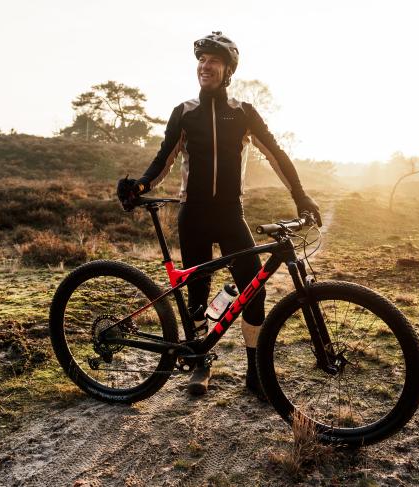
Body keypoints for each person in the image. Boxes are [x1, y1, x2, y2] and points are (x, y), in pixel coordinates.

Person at [117, 31, 320, 398]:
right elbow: (164, 158)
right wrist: (141, 187)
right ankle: (199, 365)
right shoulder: (185, 112)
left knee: (253, 291)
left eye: (212, 61)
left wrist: (301, 197)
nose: (204, 66)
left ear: (228, 70)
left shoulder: (242, 113)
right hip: (192, 213)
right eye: (200, 60)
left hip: (230, 212)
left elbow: (277, 155)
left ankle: (255, 369)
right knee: (196, 296)